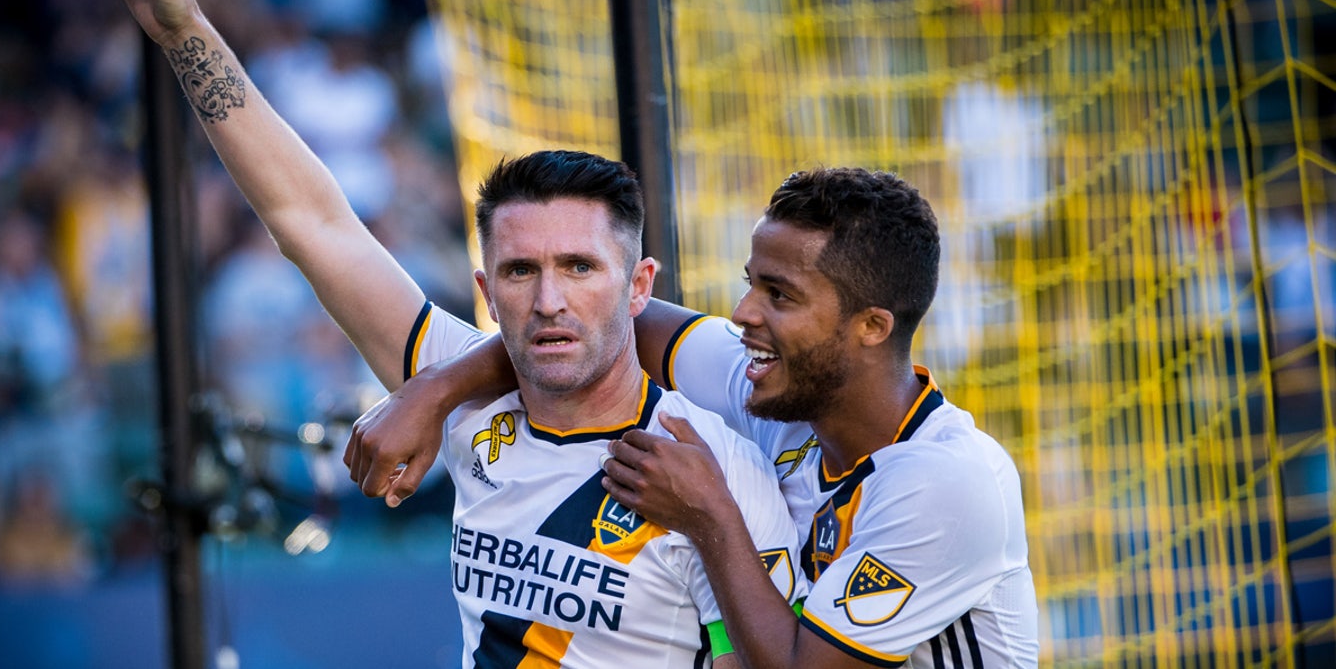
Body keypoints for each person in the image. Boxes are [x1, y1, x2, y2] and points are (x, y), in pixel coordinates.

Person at [89, 0, 803, 665]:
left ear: (641, 286)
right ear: (485, 291)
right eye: (521, 271)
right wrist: (187, 32)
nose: (550, 301)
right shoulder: (463, 395)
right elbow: (313, 224)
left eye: (580, 267)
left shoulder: (706, 468)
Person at [350, 169, 1040, 667]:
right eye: (751, 284)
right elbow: (603, 322)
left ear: (870, 326)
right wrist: (434, 391)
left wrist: (709, 515)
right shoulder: (770, 388)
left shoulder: (950, 480)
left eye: (779, 294)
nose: (743, 314)